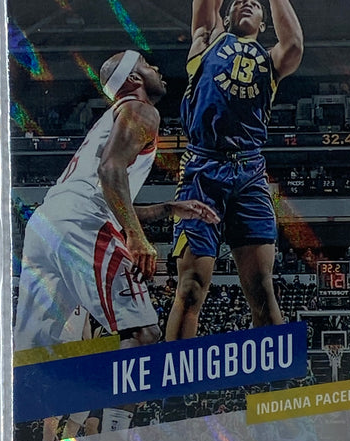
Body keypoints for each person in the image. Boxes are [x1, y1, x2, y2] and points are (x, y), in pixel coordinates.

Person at [167, 0, 304, 340]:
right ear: (226, 16)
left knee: (262, 290)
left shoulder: (271, 60)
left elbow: (295, 43)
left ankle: (279, 383)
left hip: (248, 172)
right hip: (202, 170)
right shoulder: (206, 38)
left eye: (256, 6)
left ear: (263, 24)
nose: (246, 3)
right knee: (191, 286)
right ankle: (173, 380)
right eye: (239, 2)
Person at [15, 50, 218, 351]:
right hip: (82, 220)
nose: (156, 67)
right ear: (134, 78)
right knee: (142, 332)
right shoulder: (140, 108)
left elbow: (103, 197)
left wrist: (167, 208)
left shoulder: (108, 121)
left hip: (46, 223)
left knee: (44, 351)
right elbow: (110, 169)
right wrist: (136, 237)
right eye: (147, 64)